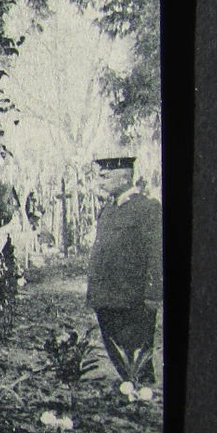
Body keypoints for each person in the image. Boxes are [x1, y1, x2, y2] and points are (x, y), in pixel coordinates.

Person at [86, 156, 162, 382]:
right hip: (106, 299)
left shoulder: (147, 208)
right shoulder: (107, 210)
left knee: (138, 357)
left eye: (106, 175)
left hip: (133, 300)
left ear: (125, 176)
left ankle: (144, 396)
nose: (101, 179)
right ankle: (131, 391)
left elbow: (157, 254)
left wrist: (152, 295)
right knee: (117, 352)